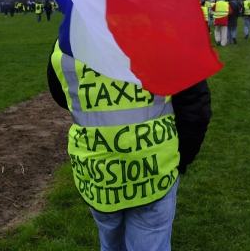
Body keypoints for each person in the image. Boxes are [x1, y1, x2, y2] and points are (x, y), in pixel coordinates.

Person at [47, 40, 212, 251]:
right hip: (154, 170)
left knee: (110, 245)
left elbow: (63, 94)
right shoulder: (167, 34)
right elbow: (194, 105)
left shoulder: (66, 37)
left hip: (98, 174)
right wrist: (182, 159)